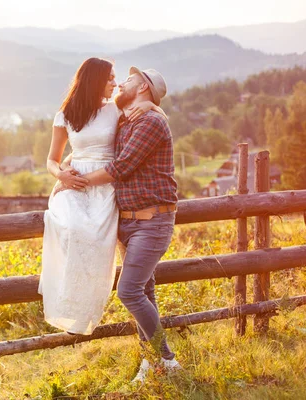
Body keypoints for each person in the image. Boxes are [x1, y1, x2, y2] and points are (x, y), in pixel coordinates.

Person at [38, 58, 163, 336]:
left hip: (106, 185)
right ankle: (69, 304)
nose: (114, 84)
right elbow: (51, 160)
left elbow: (143, 112)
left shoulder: (114, 110)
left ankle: (93, 308)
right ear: (94, 80)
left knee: (98, 240)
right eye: (109, 79)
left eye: (116, 78)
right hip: (74, 183)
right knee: (71, 228)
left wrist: (149, 104)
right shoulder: (66, 114)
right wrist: (61, 176)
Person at [78, 66, 182, 382]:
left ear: (143, 88)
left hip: (153, 221)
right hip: (129, 223)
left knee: (129, 291)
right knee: (144, 292)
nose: (121, 83)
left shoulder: (149, 122)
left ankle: (168, 360)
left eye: (128, 80)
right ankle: (152, 364)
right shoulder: (129, 117)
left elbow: (121, 167)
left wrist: (77, 182)